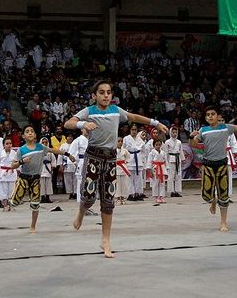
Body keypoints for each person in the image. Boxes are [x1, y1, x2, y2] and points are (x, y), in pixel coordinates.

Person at [64, 80, 168, 258]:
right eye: (102, 92)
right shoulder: (89, 111)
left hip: (111, 158)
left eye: (109, 92)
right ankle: (81, 212)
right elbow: (68, 123)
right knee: (88, 197)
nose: (106, 95)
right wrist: (83, 124)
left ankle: (106, 240)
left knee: (108, 201)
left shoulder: (116, 111)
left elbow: (134, 117)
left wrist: (156, 123)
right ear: (94, 95)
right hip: (93, 157)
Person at [9, 125, 72, 234]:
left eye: (32, 131)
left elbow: (54, 150)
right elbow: (13, 165)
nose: (30, 133)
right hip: (24, 178)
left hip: (36, 179)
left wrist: (68, 154)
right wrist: (22, 162)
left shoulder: (40, 147)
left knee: (35, 204)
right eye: (27, 131)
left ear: (35, 135)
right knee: (14, 203)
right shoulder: (21, 150)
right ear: (23, 136)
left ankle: (33, 226)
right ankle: (14, 197)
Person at [122, 124, 146, 201]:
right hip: (130, 159)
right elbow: (123, 149)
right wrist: (124, 159)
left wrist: (142, 159)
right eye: (132, 130)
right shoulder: (126, 138)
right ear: (130, 130)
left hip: (138, 159)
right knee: (130, 178)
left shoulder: (140, 139)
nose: (134, 131)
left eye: (135, 130)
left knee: (138, 179)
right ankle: (130, 194)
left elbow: (143, 151)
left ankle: (138, 193)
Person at [0, 137, 17, 211]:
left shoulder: (14, 153)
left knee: (12, 190)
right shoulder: (0, 154)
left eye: (10, 143)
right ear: (3, 145)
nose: (9, 145)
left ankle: (11, 205)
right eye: (7, 144)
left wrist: (19, 170)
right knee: (4, 190)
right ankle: (5, 205)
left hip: (12, 172)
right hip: (3, 173)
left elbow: (18, 162)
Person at [68, 128, 88, 202]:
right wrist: (76, 163)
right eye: (86, 129)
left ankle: (88, 201)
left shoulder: (93, 139)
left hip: (91, 161)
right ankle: (81, 201)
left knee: (90, 181)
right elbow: (71, 153)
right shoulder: (78, 140)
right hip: (82, 161)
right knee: (80, 180)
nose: (87, 130)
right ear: (82, 129)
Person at [163, 126, 185, 197]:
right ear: (170, 132)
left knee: (178, 175)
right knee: (171, 176)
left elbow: (181, 151)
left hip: (178, 159)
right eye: (173, 132)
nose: (174, 134)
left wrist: (183, 159)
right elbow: (166, 152)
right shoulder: (167, 142)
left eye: (176, 132)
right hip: (171, 159)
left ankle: (177, 191)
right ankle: (172, 191)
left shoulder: (179, 142)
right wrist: (166, 162)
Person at [147, 139, 168, 204]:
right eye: (156, 145)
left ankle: (161, 196)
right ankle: (156, 197)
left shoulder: (163, 153)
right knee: (155, 183)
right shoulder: (151, 153)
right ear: (153, 145)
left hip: (162, 168)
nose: (158, 146)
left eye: (159, 145)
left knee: (162, 183)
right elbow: (149, 162)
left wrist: (167, 169)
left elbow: (166, 161)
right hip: (155, 168)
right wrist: (149, 170)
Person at [58, 134, 76, 200]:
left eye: (71, 136)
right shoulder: (63, 146)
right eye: (69, 136)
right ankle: (70, 193)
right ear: (66, 138)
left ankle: (75, 193)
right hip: (66, 164)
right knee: (67, 179)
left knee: (75, 179)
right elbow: (60, 155)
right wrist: (60, 165)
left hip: (74, 163)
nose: (70, 137)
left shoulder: (75, 144)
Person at [115, 136, 131, 205]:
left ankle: (123, 197)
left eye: (121, 141)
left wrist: (126, 162)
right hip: (116, 167)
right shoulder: (113, 150)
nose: (120, 143)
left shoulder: (125, 150)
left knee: (124, 183)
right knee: (117, 184)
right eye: (118, 141)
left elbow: (128, 157)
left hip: (123, 167)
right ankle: (118, 198)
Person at [39, 137, 55, 203]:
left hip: (48, 168)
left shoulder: (50, 151)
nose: (44, 144)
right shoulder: (39, 151)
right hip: (41, 168)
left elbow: (53, 160)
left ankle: (48, 197)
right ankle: (42, 197)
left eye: (46, 142)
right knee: (41, 183)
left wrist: (53, 166)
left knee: (48, 183)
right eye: (43, 142)